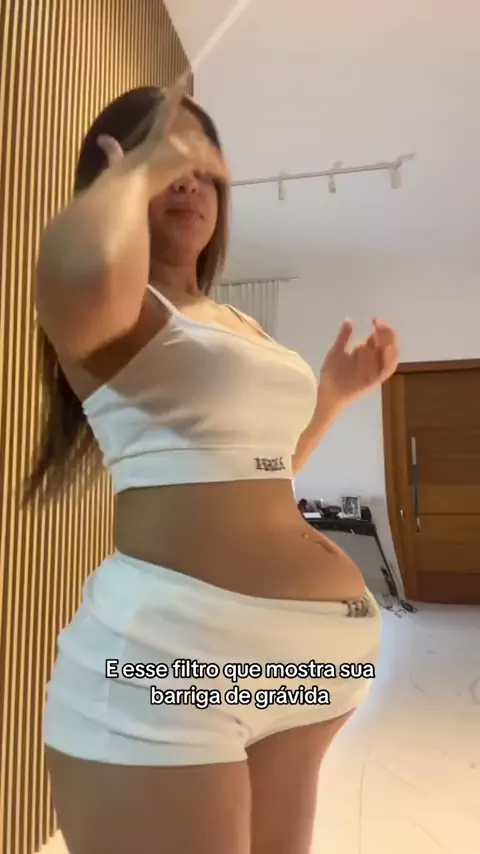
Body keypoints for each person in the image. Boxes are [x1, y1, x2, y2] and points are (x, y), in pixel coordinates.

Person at [27, 75, 398, 854]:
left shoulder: (231, 321)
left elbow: (261, 475)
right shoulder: (120, 311)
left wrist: (333, 394)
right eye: (167, 158)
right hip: (174, 669)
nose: (189, 179)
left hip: (305, 681)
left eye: (203, 164)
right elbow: (76, 269)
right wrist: (126, 183)